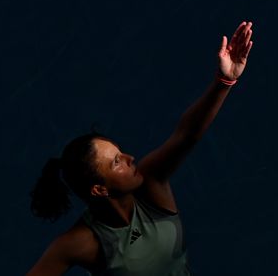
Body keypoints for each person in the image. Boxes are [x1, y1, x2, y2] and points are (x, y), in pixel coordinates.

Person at [26, 21, 254, 276]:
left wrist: (225, 81)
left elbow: (186, 135)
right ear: (99, 189)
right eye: (116, 162)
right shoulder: (82, 243)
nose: (130, 158)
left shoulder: (151, 182)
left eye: (120, 152)